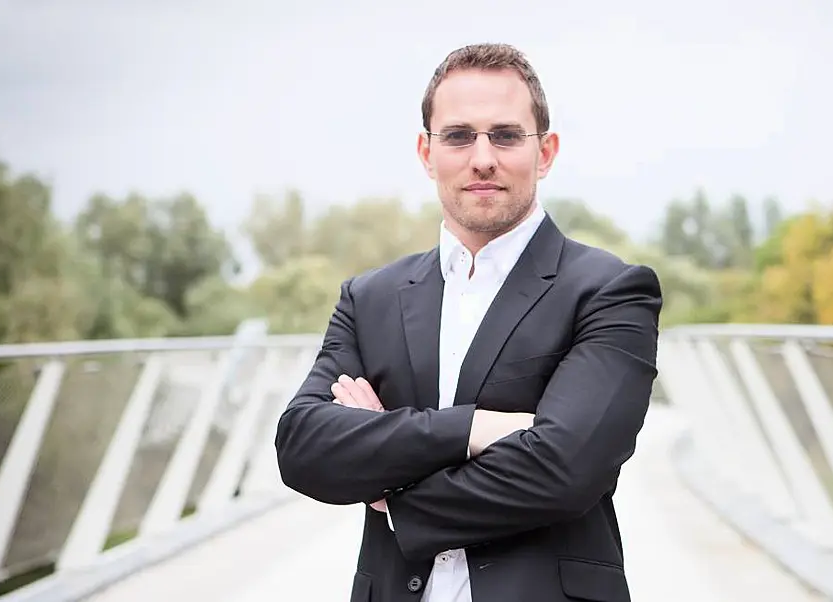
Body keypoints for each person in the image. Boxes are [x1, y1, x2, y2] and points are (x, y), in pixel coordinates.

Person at [274, 42, 663, 602]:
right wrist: (476, 429)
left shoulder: (609, 290)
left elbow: (564, 470)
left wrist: (393, 492)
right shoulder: (370, 298)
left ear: (546, 152)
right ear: (426, 153)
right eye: (458, 136)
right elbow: (304, 446)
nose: (482, 158)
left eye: (505, 135)